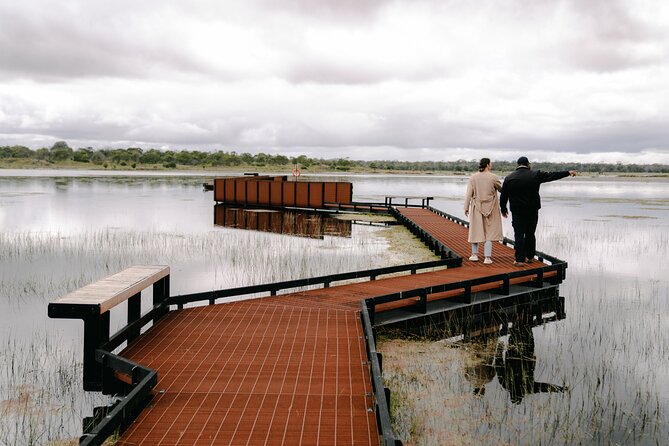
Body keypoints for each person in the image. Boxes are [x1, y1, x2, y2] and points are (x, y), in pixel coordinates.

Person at [500, 157, 576, 266]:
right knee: (530, 233)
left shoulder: (509, 178)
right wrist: (568, 172)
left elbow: (504, 195)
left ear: (518, 165)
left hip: (517, 211)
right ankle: (530, 256)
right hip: (532, 210)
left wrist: (503, 208)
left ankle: (520, 260)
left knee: (519, 234)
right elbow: (552, 175)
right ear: (528, 164)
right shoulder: (536, 174)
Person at [464, 158, 504, 264]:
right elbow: (502, 190)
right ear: (488, 165)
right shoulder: (494, 177)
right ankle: (487, 258)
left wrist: (466, 207)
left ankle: (474, 255)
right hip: (491, 208)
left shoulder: (473, 178)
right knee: (489, 232)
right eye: (490, 164)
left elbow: (468, 194)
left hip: (477, 207)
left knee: (476, 230)